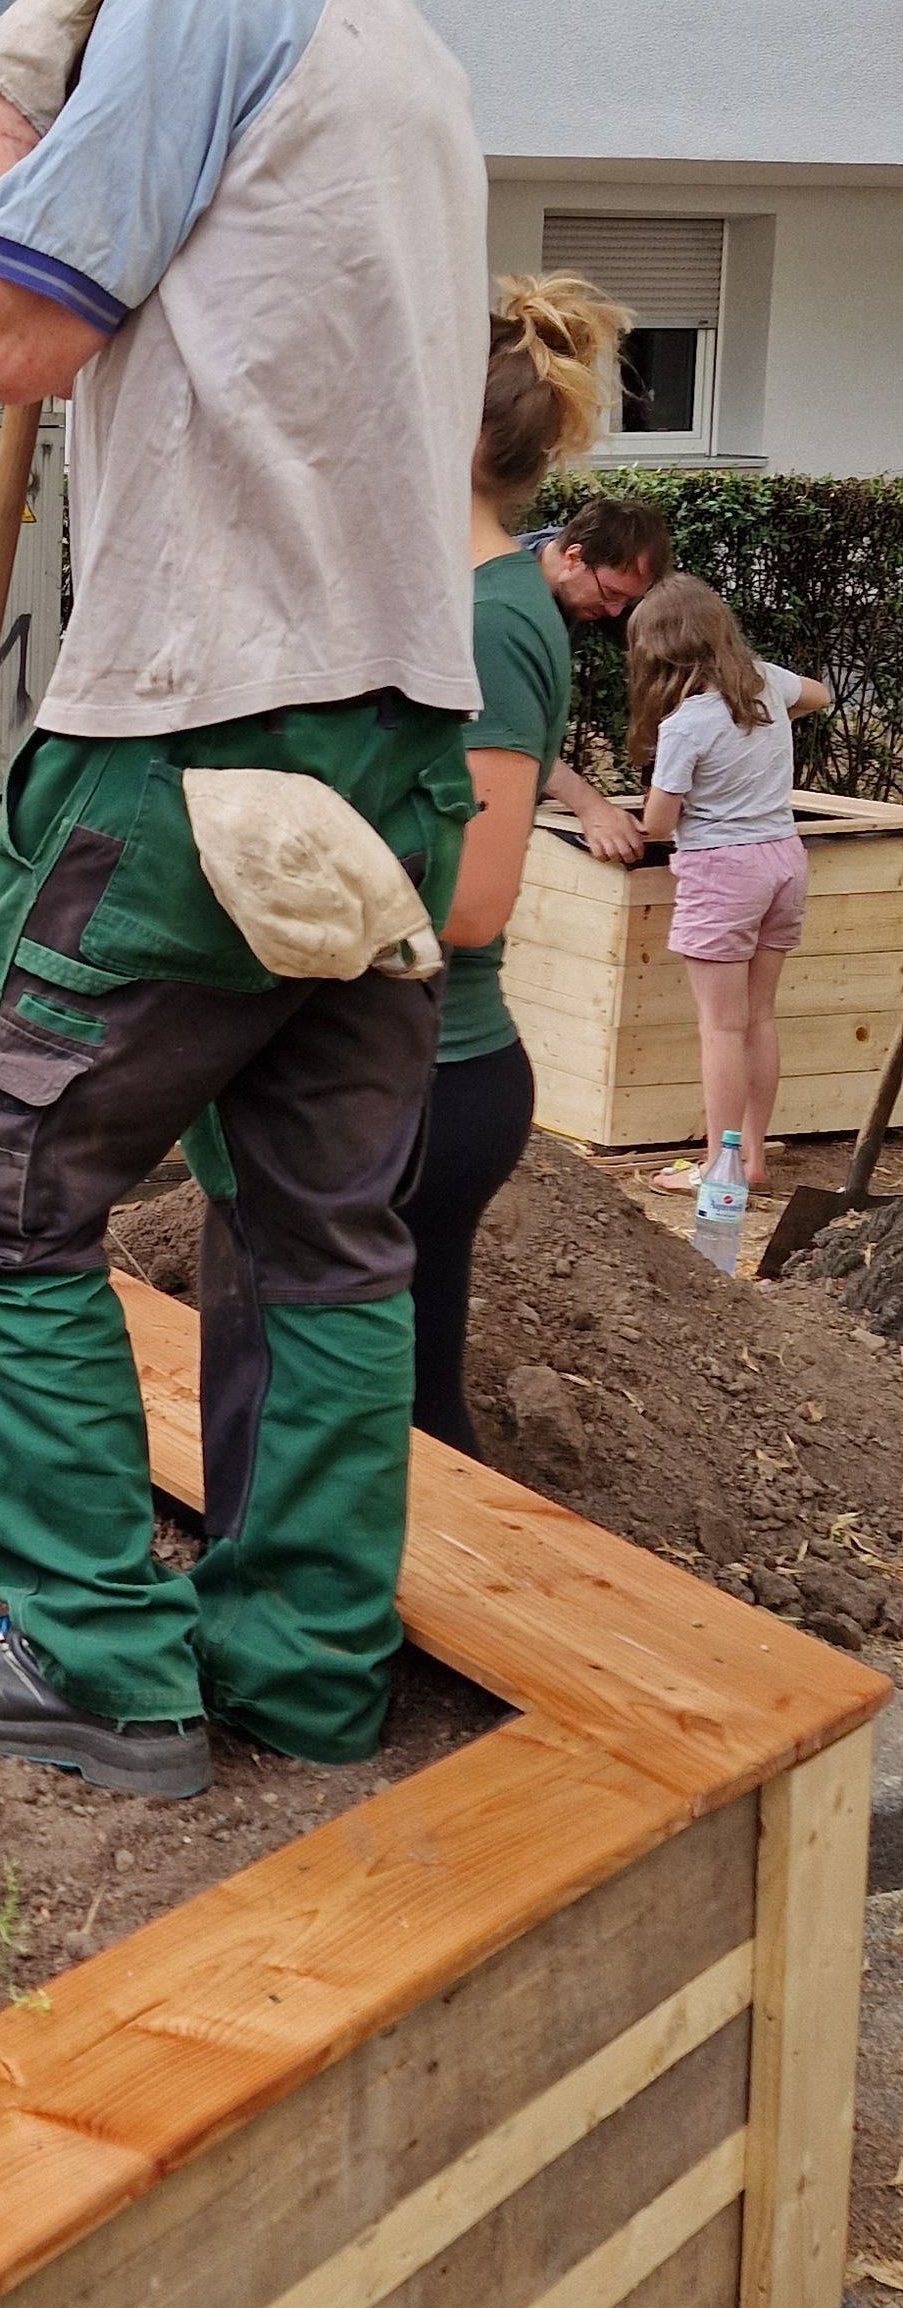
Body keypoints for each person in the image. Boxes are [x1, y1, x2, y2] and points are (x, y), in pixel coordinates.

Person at [0, 0, 488, 1799]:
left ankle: (92, 1646)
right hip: (394, 727)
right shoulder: (412, 54)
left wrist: (11, 86)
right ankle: (302, 1666)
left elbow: (19, 322)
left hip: (210, 717)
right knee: (318, 1225)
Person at [404, 277, 628, 1451]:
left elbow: (475, 901)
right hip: (422, 1073)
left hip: (432, 1078)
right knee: (401, 1404)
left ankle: (418, 1615)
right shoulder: (473, 597)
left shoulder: (492, 617)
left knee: (409, 1419)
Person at [626, 577, 831, 1194]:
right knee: (759, 1018)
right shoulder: (765, 683)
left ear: (660, 650)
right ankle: (753, 1158)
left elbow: (659, 823)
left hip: (722, 869)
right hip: (784, 860)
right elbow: (818, 695)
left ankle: (720, 1169)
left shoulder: (687, 723)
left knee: (720, 1026)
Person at [520, 494, 675, 863]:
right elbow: (508, 733)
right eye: (611, 595)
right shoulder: (498, 602)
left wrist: (669, 775)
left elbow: (675, 668)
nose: (615, 611)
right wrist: (591, 809)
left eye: (628, 600)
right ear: (573, 557)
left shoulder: (597, 576)